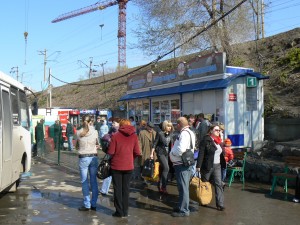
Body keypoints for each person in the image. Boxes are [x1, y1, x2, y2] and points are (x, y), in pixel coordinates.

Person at [107, 119, 141, 218]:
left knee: (117, 189)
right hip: (129, 166)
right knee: (126, 189)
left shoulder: (115, 136)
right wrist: (131, 158)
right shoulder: (134, 136)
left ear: (120, 125)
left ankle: (119, 211)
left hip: (116, 166)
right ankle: (125, 211)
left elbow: (111, 152)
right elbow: (137, 152)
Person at [196, 124, 226, 211]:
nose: (218, 132)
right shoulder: (206, 140)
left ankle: (220, 204)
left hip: (217, 165)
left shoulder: (219, 140)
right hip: (208, 165)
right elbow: (201, 153)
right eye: (216, 130)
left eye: (219, 130)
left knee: (218, 184)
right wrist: (198, 166)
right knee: (205, 183)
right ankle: (203, 200)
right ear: (211, 131)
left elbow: (222, 152)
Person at [169, 117, 195, 217]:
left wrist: (172, 153)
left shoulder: (184, 133)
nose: (175, 126)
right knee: (182, 187)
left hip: (181, 164)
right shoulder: (190, 132)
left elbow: (181, 149)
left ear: (179, 124)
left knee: (183, 187)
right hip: (184, 163)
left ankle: (184, 210)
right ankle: (181, 207)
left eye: (176, 124)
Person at [76, 115, 100, 211]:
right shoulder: (95, 132)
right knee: (94, 181)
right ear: (91, 121)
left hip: (83, 157)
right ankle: (94, 203)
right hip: (93, 157)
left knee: (84, 181)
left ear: (82, 122)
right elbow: (97, 144)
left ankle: (87, 204)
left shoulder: (78, 132)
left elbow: (77, 146)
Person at [150, 120, 174, 194]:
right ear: (164, 126)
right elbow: (155, 144)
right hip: (160, 153)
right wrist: (151, 153)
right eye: (168, 126)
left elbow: (172, 144)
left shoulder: (171, 134)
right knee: (166, 168)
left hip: (168, 154)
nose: (170, 128)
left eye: (170, 126)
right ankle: (164, 187)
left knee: (163, 168)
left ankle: (160, 183)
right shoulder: (160, 133)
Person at [99, 119, 120, 196]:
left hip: (117, 155)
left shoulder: (120, 132)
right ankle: (104, 190)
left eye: (114, 122)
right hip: (110, 153)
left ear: (119, 124)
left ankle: (117, 191)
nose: (112, 124)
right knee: (107, 171)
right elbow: (106, 138)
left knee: (116, 173)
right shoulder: (111, 131)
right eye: (112, 123)